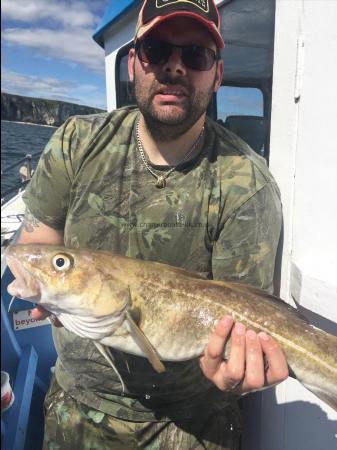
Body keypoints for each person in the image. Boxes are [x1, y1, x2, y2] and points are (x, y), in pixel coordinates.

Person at [16, 0, 288, 448]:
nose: (175, 67)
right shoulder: (77, 142)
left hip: (191, 427)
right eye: (158, 50)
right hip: (77, 410)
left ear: (217, 75)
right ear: (133, 64)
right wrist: (54, 288)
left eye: (196, 55)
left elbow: (244, 313)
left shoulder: (248, 183)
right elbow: (38, 242)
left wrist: (239, 371)